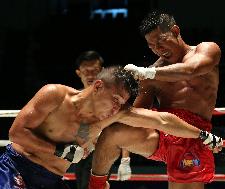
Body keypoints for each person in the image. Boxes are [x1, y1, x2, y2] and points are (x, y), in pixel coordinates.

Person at [89, 10, 222, 189]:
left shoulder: (205, 49)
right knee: (112, 132)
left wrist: (149, 73)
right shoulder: (150, 73)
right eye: (151, 46)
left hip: (193, 134)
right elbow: (136, 116)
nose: (158, 49)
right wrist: (124, 157)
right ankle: (96, 185)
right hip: (161, 132)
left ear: (175, 31)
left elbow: (191, 69)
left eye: (160, 41)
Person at [0, 66, 138, 189]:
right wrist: (60, 151)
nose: (116, 109)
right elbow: (16, 133)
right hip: (17, 166)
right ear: (98, 86)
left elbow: (76, 147)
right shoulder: (55, 95)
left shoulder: (90, 124)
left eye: (120, 104)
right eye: (115, 99)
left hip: (52, 180)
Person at [74, 51, 132, 189]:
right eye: (86, 71)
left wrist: (125, 159)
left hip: (103, 151)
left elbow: (122, 125)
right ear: (78, 72)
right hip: (80, 152)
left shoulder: (113, 98)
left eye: (94, 70)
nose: (90, 75)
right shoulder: (73, 97)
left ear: (101, 71)